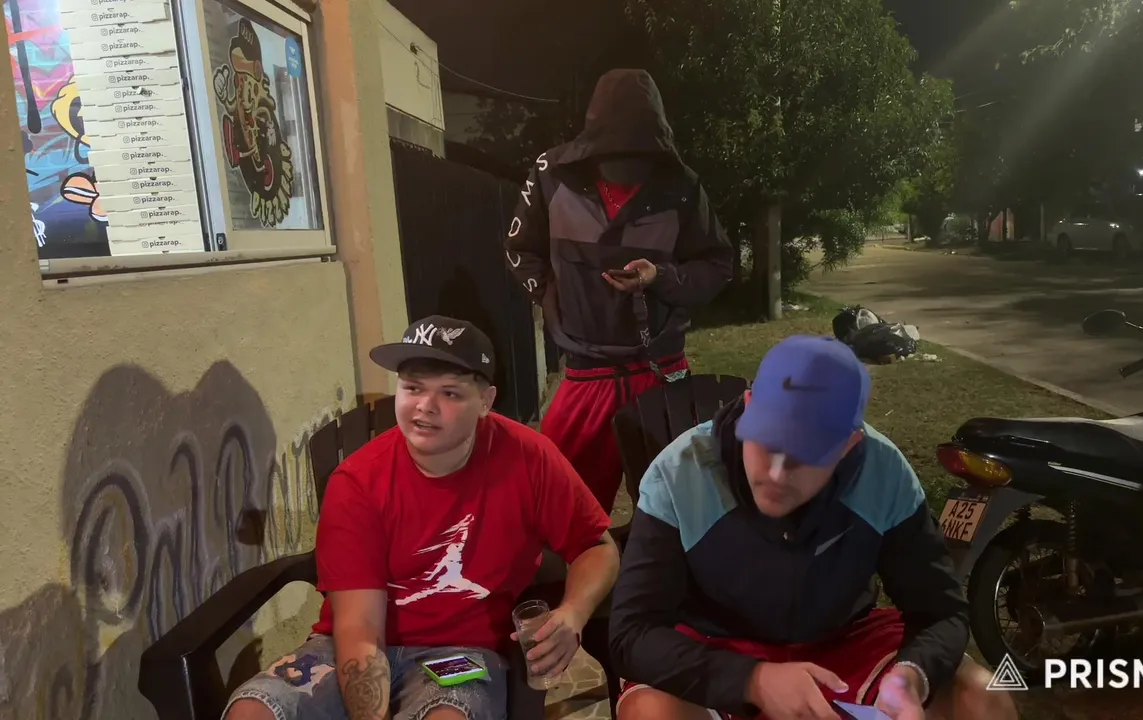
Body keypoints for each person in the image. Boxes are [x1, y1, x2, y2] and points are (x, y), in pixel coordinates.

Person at [223, 315, 620, 720]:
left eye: (450, 393)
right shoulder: (358, 481)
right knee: (252, 710)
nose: (425, 406)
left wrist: (573, 612)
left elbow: (597, 546)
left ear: (485, 401)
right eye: (412, 387)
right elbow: (360, 630)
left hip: (461, 652)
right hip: (347, 646)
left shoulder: (528, 457)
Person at [608, 335, 1018, 720]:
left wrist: (912, 675)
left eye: (807, 454)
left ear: (848, 444)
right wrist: (751, 679)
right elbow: (632, 632)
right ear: (749, 407)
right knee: (650, 711)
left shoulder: (884, 472)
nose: (776, 473)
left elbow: (941, 611)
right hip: (717, 645)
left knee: (984, 698)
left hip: (843, 641)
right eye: (766, 439)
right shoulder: (680, 472)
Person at [504, 67, 734, 514]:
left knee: (683, 512)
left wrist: (660, 277)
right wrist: (554, 296)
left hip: (659, 371)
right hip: (585, 372)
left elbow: (717, 264)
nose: (627, 172)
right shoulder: (551, 173)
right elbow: (519, 249)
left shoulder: (681, 185)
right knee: (558, 510)